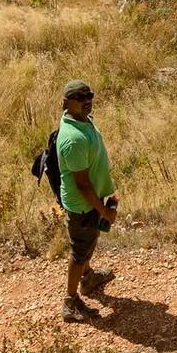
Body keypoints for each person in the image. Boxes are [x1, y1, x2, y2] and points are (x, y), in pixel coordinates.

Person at [55, 79, 118, 324]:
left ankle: (88, 278)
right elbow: (81, 184)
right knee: (79, 252)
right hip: (83, 205)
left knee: (88, 242)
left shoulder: (81, 120)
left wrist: (107, 192)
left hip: (92, 200)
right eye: (80, 98)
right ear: (66, 102)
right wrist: (102, 210)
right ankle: (70, 302)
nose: (86, 101)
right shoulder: (73, 139)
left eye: (89, 95)